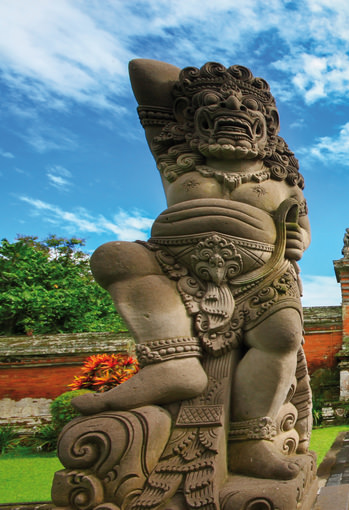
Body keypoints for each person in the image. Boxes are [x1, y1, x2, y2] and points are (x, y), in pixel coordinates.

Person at [73, 60, 312, 480]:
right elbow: (143, 73)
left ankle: (250, 438)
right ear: (189, 118)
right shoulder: (177, 161)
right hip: (174, 267)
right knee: (116, 256)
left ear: (269, 127)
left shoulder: (284, 181)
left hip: (263, 276)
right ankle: (173, 362)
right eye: (217, 108)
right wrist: (208, 89)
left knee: (283, 336)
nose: (234, 112)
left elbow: (302, 230)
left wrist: (297, 241)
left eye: (248, 111)